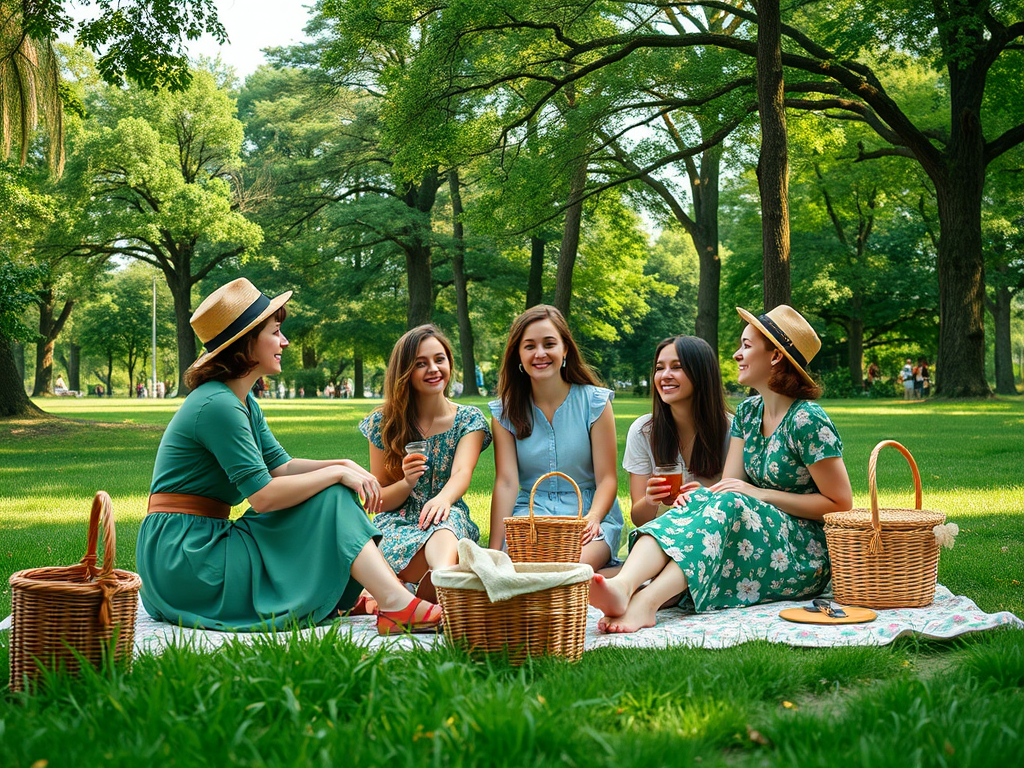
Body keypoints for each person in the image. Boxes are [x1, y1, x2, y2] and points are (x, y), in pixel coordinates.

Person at [136, 278, 441, 634]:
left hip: (197, 542)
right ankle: (396, 605)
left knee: (333, 489)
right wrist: (336, 476)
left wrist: (342, 465)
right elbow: (264, 497)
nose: (285, 341)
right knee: (331, 491)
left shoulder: (241, 401)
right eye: (276, 332)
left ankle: (383, 599)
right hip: (186, 556)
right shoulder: (217, 405)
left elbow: (281, 467)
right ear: (246, 342)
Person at [590, 305, 853, 633]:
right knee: (701, 500)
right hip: (759, 535)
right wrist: (702, 496)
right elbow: (730, 486)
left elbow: (841, 505)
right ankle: (624, 585)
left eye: (746, 345)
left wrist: (757, 494)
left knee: (727, 502)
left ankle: (648, 602)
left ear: (775, 357)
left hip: (803, 553)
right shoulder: (748, 412)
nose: (736, 354)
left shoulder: (808, 420)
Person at [360, 325, 491, 603]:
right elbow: (380, 501)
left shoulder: (468, 420)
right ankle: (430, 588)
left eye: (439, 359)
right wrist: (407, 482)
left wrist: (443, 499)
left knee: (447, 524)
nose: (433, 369)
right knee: (380, 541)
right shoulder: (384, 424)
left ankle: (441, 581)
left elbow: (461, 472)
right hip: (398, 521)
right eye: (421, 363)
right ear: (404, 372)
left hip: (447, 514)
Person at [489, 305, 624, 572]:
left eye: (549, 344)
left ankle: (609, 575)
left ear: (565, 350)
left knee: (567, 568)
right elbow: (506, 482)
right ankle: (608, 577)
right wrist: (494, 552)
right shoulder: (504, 412)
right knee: (520, 571)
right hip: (529, 515)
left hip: (587, 515)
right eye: (529, 346)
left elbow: (607, 478)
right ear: (518, 353)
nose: (540, 353)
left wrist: (593, 518)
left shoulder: (595, 402)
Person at [623, 336, 733, 528]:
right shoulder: (643, 432)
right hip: (659, 536)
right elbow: (639, 520)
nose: (665, 375)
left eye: (676, 366)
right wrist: (650, 500)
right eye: (659, 368)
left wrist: (707, 498)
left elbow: (739, 507)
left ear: (701, 373)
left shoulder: (732, 432)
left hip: (712, 535)